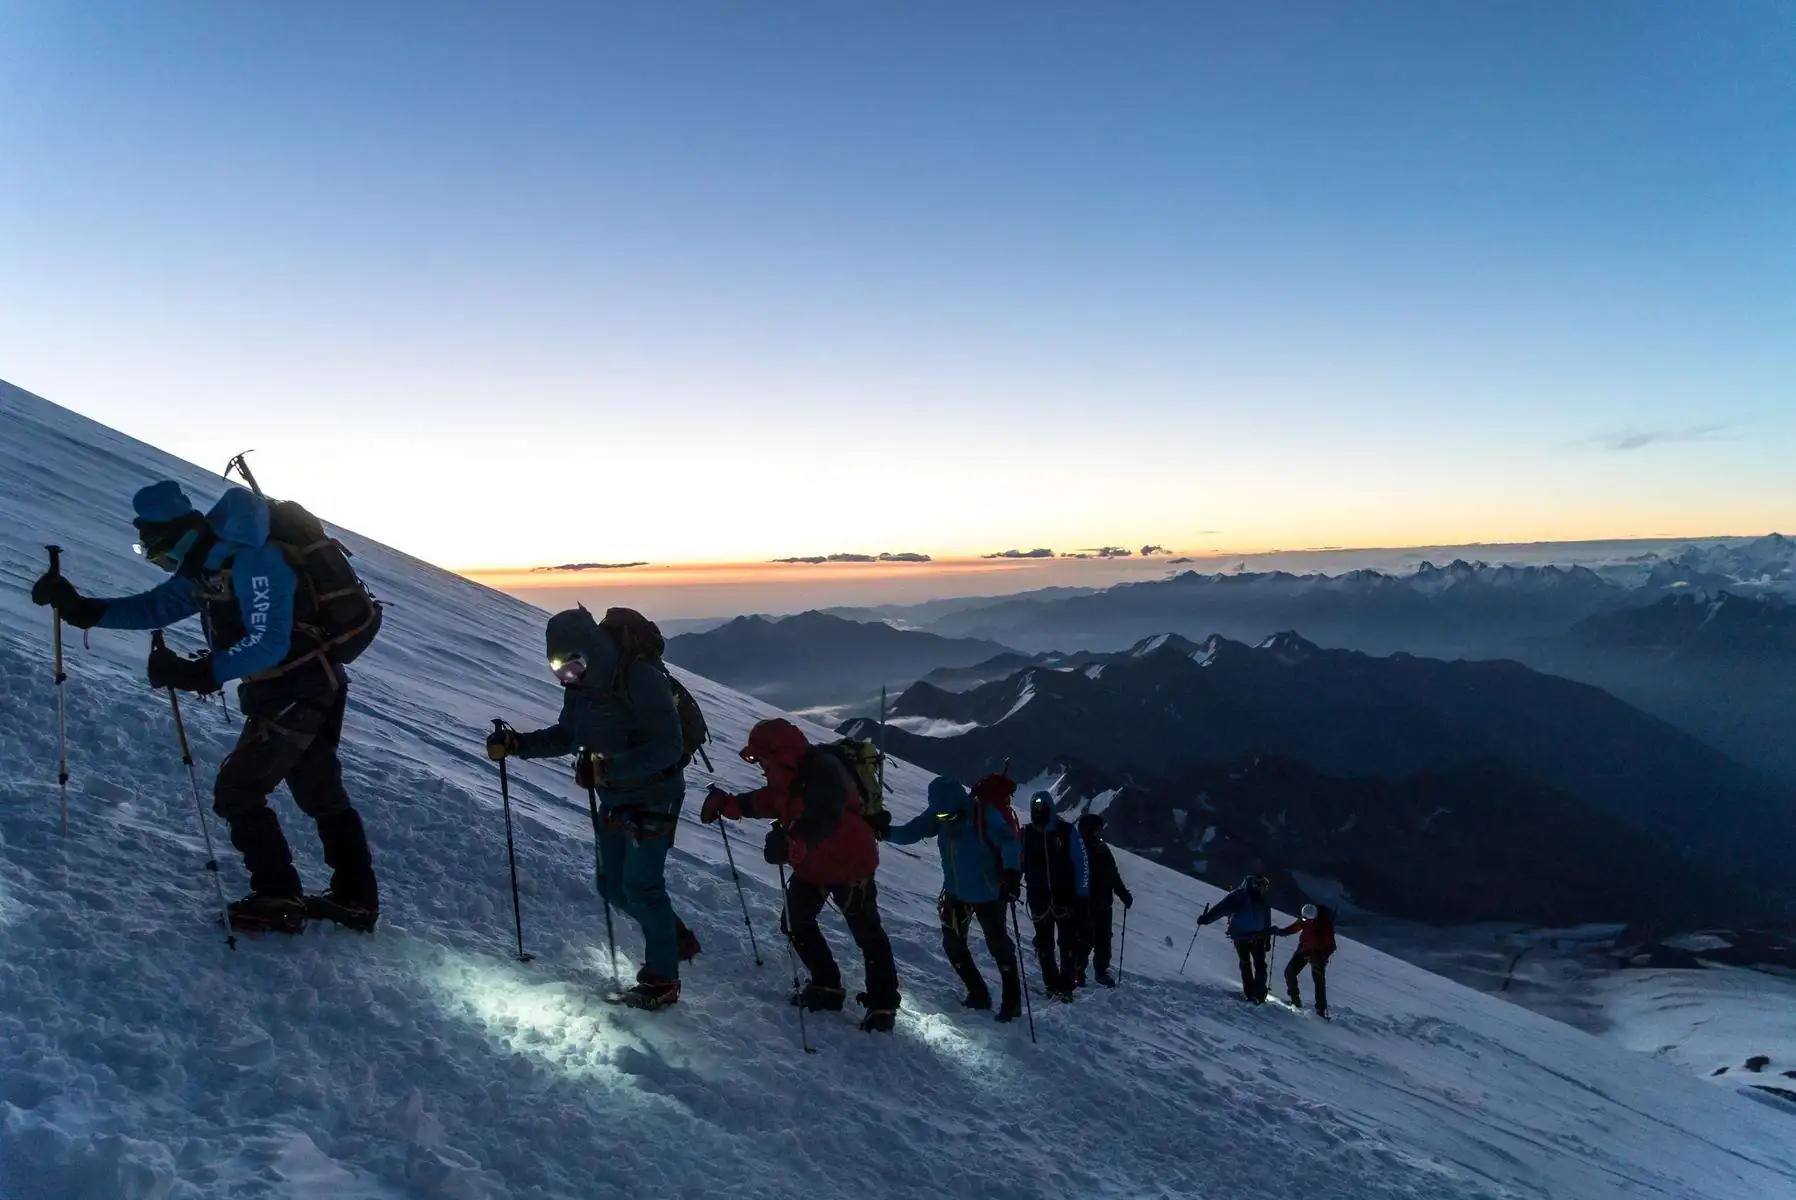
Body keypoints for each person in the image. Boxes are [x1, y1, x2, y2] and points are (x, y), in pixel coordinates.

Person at [30, 481, 380, 933]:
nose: (154, 559)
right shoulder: (209, 564)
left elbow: (269, 643)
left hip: (299, 687)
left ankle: (279, 898)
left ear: (177, 535)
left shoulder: (253, 560)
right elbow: (158, 606)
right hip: (297, 686)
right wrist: (84, 610)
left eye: (152, 549)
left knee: (239, 790)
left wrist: (200, 673)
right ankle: (356, 899)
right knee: (319, 791)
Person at [487, 605, 689, 1011]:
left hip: (654, 795)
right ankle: (666, 931)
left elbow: (670, 745)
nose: (568, 677)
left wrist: (609, 767)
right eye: (560, 670)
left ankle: (663, 979)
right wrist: (519, 745)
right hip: (614, 795)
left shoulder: (639, 677)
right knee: (611, 886)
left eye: (574, 665)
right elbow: (567, 735)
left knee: (642, 888)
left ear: (592, 649)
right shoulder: (581, 689)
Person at [701, 718, 901, 1032]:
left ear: (778, 753)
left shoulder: (824, 771)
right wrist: (730, 805)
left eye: (761, 757)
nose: (760, 765)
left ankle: (883, 1005)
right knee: (795, 922)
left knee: (867, 933)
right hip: (812, 864)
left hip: (850, 863)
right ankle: (827, 986)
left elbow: (826, 814)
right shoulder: (789, 773)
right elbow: (771, 800)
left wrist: (795, 841)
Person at [877, 774, 1026, 1023]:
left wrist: (1012, 874)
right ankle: (978, 993)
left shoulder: (984, 816)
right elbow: (912, 832)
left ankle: (1012, 1003)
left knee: (998, 945)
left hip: (988, 893)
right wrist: (882, 832)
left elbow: (1010, 843)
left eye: (948, 816)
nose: (944, 820)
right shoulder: (941, 813)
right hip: (957, 892)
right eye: (940, 817)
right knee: (953, 945)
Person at [1021, 791, 1090, 1001]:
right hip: (1039, 897)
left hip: (1065, 898)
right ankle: (1052, 983)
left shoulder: (1066, 832)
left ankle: (1066, 986)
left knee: (1066, 942)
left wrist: (1082, 894)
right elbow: (1018, 862)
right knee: (1044, 943)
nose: (1039, 812)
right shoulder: (1027, 834)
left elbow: (1081, 863)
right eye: (1036, 809)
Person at [1076, 812, 1134, 987]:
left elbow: (1112, 874)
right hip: (1085, 903)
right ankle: (1078, 970)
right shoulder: (1079, 849)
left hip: (1102, 903)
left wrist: (1123, 893)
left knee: (1103, 939)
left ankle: (1100, 971)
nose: (1099, 833)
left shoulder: (1102, 848)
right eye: (1096, 830)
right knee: (1085, 939)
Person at [1198, 874, 1275, 1002]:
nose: (1263, 888)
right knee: (1256, 965)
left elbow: (1221, 909)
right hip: (1250, 937)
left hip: (1245, 936)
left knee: (1249, 964)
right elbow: (1221, 909)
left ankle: (1254, 994)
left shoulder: (1245, 896)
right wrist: (1206, 919)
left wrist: (1206, 919)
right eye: (1262, 885)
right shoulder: (1242, 897)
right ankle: (1256, 994)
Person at [1277, 903, 1336, 1018]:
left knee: (1318, 982)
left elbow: (1331, 946)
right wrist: (1280, 932)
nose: (1305, 921)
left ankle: (1320, 1011)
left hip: (1317, 956)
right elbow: (1295, 927)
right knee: (1289, 973)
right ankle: (1295, 999)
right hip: (1304, 951)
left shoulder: (1324, 925)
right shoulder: (1307, 918)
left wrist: (1322, 957)